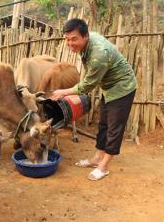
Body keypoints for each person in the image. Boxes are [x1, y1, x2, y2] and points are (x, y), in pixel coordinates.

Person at [51, 18, 137, 181]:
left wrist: (64, 92)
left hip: (122, 88)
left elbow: (88, 85)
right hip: (109, 88)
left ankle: (103, 167)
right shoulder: (89, 42)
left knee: (114, 128)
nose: (70, 43)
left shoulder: (98, 54)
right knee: (104, 124)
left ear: (85, 37)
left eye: (74, 39)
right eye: (67, 39)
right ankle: (98, 158)